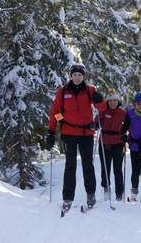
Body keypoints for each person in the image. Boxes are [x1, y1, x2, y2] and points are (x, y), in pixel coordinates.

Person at [46, 62, 106, 213]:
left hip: (86, 133)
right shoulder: (63, 91)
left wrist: (100, 99)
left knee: (88, 165)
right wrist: (52, 131)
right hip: (69, 133)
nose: (77, 78)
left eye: (80, 75)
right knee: (70, 166)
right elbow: (55, 111)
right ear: (71, 76)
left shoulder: (90, 90)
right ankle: (67, 198)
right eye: (75, 75)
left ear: (83, 76)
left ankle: (90, 195)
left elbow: (102, 108)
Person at [94, 91, 127, 202]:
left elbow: (129, 128)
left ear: (118, 101)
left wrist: (129, 139)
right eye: (110, 101)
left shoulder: (123, 113)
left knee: (118, 169)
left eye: (115, 100)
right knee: (105, 169)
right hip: (104, 143)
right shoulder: (102, 111)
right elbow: (94, 126)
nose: (112, 103)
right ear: (107, 102)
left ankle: (119, 194)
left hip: (118, 143)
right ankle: (106, 190)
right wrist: (96, 124)